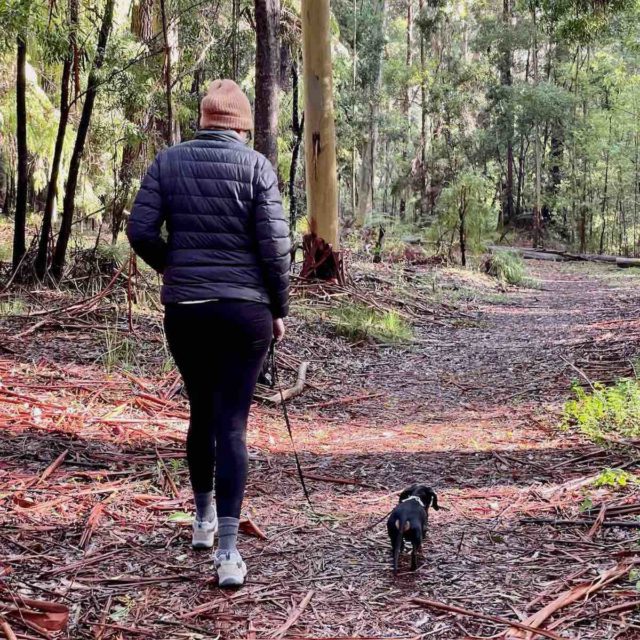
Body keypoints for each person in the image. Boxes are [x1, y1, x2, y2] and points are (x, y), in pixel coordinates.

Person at [127, 79, 290, 587]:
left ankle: (201, 522)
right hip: (246, 314)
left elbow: (140, 231)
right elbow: (275, 250)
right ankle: (227, 554)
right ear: (241, 125)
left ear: (204, 119)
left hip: (188, 310)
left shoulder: (167, 161)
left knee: (201, 411)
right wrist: (278, 308)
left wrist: (175, 270)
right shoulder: (257, 167)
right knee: (233, 425)